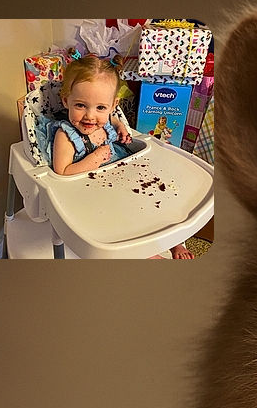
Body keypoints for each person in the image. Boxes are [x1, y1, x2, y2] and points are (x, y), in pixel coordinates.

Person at [50, 55, 192, 258]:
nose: (90, 115)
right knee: (124, 218)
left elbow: (112, 119)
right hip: (94, 191)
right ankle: (146, 255)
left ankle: (174, 241)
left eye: (100, 107)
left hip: (122, 176)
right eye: (80, 105)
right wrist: (94, 159)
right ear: (66, 101)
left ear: (112, 105)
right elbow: (62, 172)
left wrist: (120, 126)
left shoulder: (106, 119)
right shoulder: (65, 136)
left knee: (153, 198)